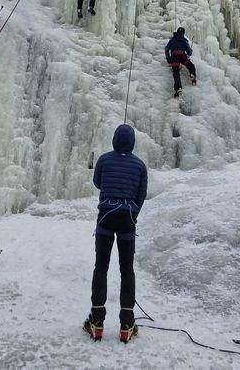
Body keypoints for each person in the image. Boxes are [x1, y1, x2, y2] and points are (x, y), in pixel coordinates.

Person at [83, 124, 148, 344]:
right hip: (127, 220)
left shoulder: (103, 159)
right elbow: (141, 194)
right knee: (126, 269)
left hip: (105, 218)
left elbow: (97, 182)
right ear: (132, 143)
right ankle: (127, 323)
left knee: (101, 266)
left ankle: (97, 321)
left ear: (114, 140)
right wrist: (133, 214)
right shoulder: (140, 165)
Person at [164, 27, 196, 98]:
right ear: (183, 33)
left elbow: (166, 49)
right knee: (191, 66)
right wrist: (189, 52)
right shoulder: (184, 41)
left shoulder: (172, 40)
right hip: (182, 57)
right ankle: (192, 76)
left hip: (174, 58)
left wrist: (168, 58)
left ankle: (178, 88)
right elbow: (189, 52)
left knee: (176, 74)